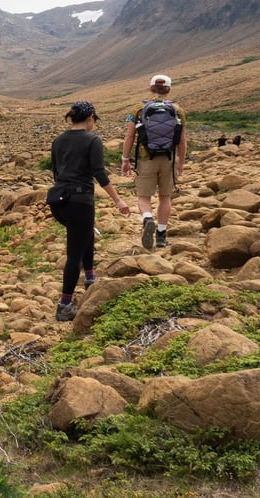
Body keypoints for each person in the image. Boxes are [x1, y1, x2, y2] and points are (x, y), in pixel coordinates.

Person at [50, 100, 131, 321]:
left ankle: (90, 278)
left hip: (59, 201)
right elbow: (100, 173)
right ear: (90, 118)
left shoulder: (58, 140)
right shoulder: (92, 140)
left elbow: (56, 173)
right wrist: (118, 201)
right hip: (80, 201)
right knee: (75, 252)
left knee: (85, 236)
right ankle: (64, 305)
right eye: (94, 120)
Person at [121, 74, 188, 250]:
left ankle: (147, 218)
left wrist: (125, 159)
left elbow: (129, 136)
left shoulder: (138, 109)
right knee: (165, 197)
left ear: (151, 88)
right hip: (168, 158)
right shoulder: (178, 110)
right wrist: (180, 162)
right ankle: (161, 236)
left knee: (144, 197)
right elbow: (182, 140)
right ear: (169, 89)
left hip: (146, 159)